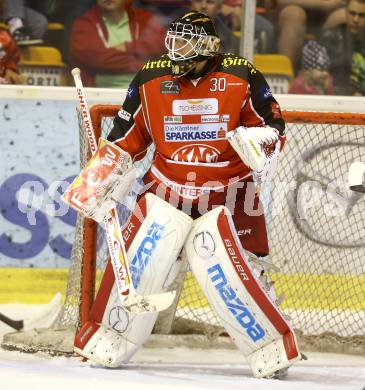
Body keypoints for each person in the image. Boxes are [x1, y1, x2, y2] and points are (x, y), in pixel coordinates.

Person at [67, 11, 302, 379]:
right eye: (173, 40)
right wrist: (101, 176)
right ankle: (110, 335)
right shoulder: (151, 77)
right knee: (143, 260)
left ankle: (270, 345)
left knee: (243, 275)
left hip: (231, 193)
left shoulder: (241, 75)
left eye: (186, 41)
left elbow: (273, 125)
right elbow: (126, 136)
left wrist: (260, 141)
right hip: (166, 189)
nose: (175, 49)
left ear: (208, 46)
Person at [69, 0, 166, 87]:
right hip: (99, 95)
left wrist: (128, 47)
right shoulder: (84, 24)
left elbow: (162, 45)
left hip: (145, 93)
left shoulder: (144, 18)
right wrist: (145, 66)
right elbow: (99, 60)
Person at [277, 0, 347, 70]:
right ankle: (285, 74)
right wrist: (326, 4)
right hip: (296, 19)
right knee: (294, 14)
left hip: (327, 20)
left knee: (344, 15)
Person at [320, 0, 365, 95]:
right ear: (345, 13)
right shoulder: (330, 38)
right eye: (352, 13)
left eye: (361, 15)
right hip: (336, 99)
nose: (356, 19)